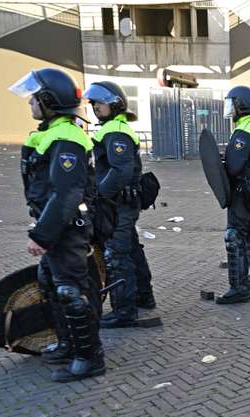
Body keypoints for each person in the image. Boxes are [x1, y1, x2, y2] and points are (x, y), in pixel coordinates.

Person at [10, 68, 106, 382]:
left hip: (67, 229)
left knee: (70, 291)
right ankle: (67, 343)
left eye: (36, 99)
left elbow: (67, 193)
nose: (31, 104)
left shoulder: (67, 138)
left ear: (50, 101)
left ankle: (89, 357)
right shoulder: (53, 133)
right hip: (56, 227)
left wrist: (42, 235)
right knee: (51, 286)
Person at [83, 80, 155, 327]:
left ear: (115, 104)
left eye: (99, 103)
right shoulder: (113, 128)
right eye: (93, 104)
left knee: (117, 254)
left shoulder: (117, 131)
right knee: (131, 249)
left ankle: (124, 311)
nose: (94, 107)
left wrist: (99, 195)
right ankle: (144, 296)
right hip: (120, 202)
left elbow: (121, 170)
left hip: (118, 204)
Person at [217, 85, 250, 303]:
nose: (230, 108)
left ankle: (238, 288)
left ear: (240, 105)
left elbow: (234, 166)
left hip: (242, 191)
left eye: (232, 103)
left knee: (235, 236)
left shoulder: (244, 130)